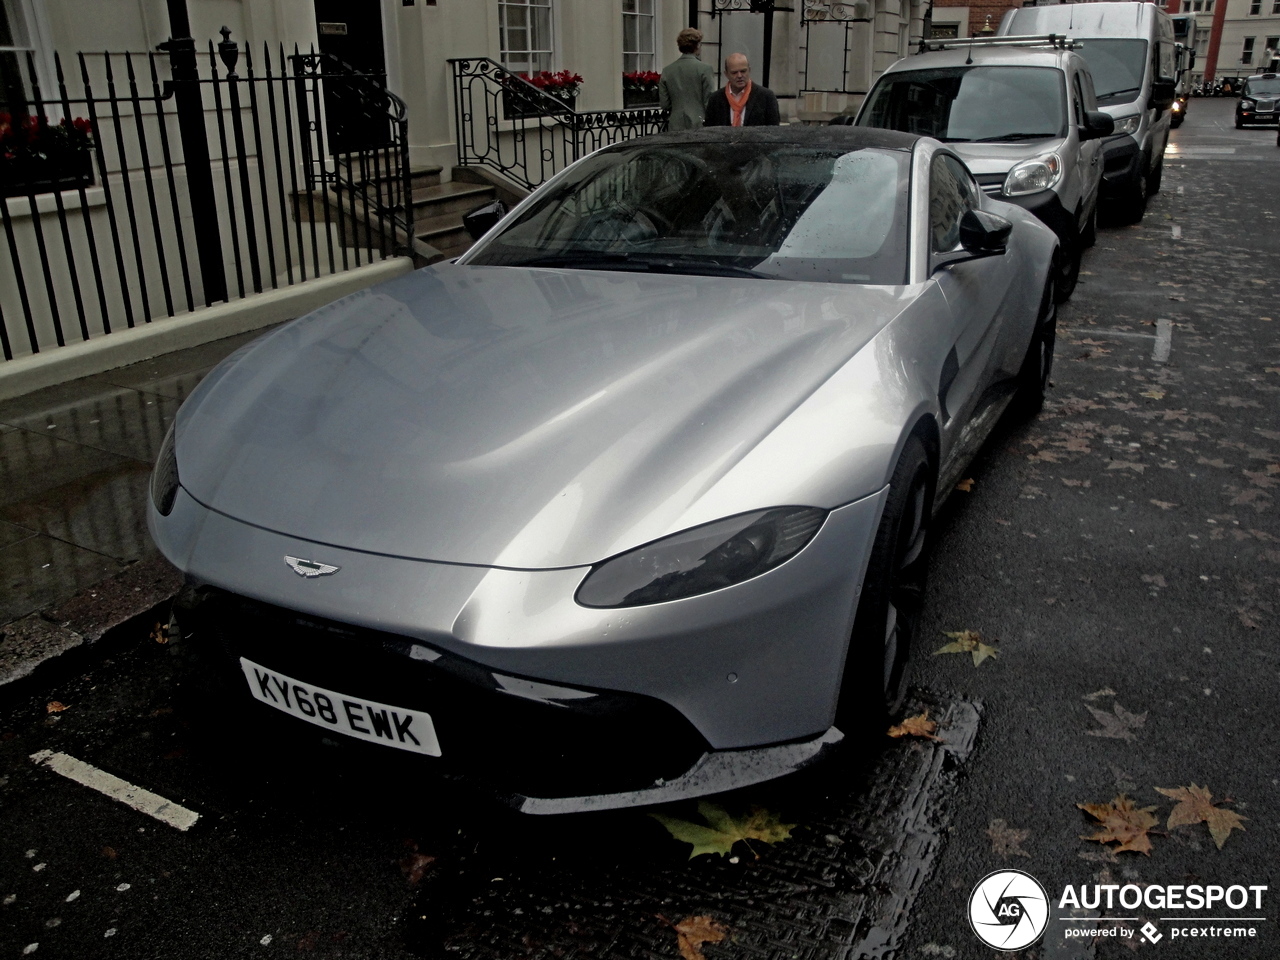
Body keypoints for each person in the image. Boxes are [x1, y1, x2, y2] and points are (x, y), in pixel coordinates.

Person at [658, 28, 717, 131]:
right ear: (697, 45)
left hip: (675, 124)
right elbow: (710, 101)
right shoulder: (705, 69)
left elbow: (665, 104)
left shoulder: (667, 71)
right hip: (700, 123)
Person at [704, 53, 780, 127]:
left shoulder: (766, 97)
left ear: (749, 70)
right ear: (726, 74)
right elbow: (709, 130)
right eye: (734, 73)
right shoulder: (715, 99)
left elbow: (774, 131)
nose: (739, 76)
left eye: (743, 71)